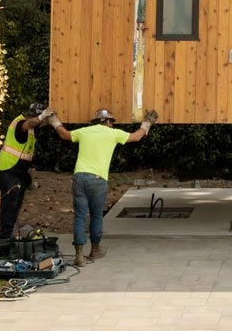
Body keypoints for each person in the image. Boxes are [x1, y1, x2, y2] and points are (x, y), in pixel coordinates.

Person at [46, 106, 158, 266]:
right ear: (108, 122)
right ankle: (95, 250)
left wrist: (53, 120)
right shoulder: (113, 133)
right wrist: (147, 123)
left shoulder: (85, 131)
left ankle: (79, 256)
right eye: (111, 122)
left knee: (79, 216)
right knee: (96, 216)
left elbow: (64, 134)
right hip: (97, 180)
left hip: (79, 178)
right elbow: (136, 137)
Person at [0, 100, 52, 250]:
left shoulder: (31, 127)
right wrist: (42, 116)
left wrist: (51, 120)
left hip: (17, 173)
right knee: (9, 206)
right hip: (7, 171)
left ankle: (9, 238)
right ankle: (3, 243)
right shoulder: (21, 124)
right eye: (38, 118)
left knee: (15, 206)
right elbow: (30, 124)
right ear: (30, 115)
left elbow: (37, 124)